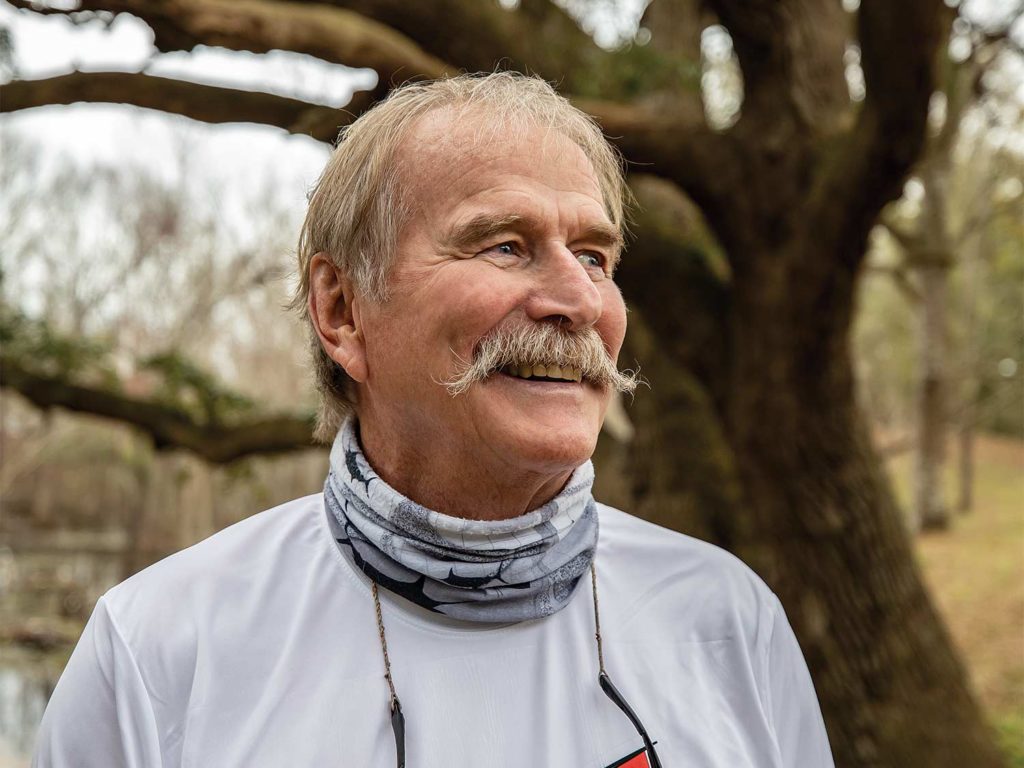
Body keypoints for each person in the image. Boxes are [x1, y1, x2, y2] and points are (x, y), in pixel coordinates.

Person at [33, 73, 834, 768]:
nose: (581, 301)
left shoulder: (728, 623)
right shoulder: (160, 653)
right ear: (343, 311)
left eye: (594, 256)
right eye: (505, 246)